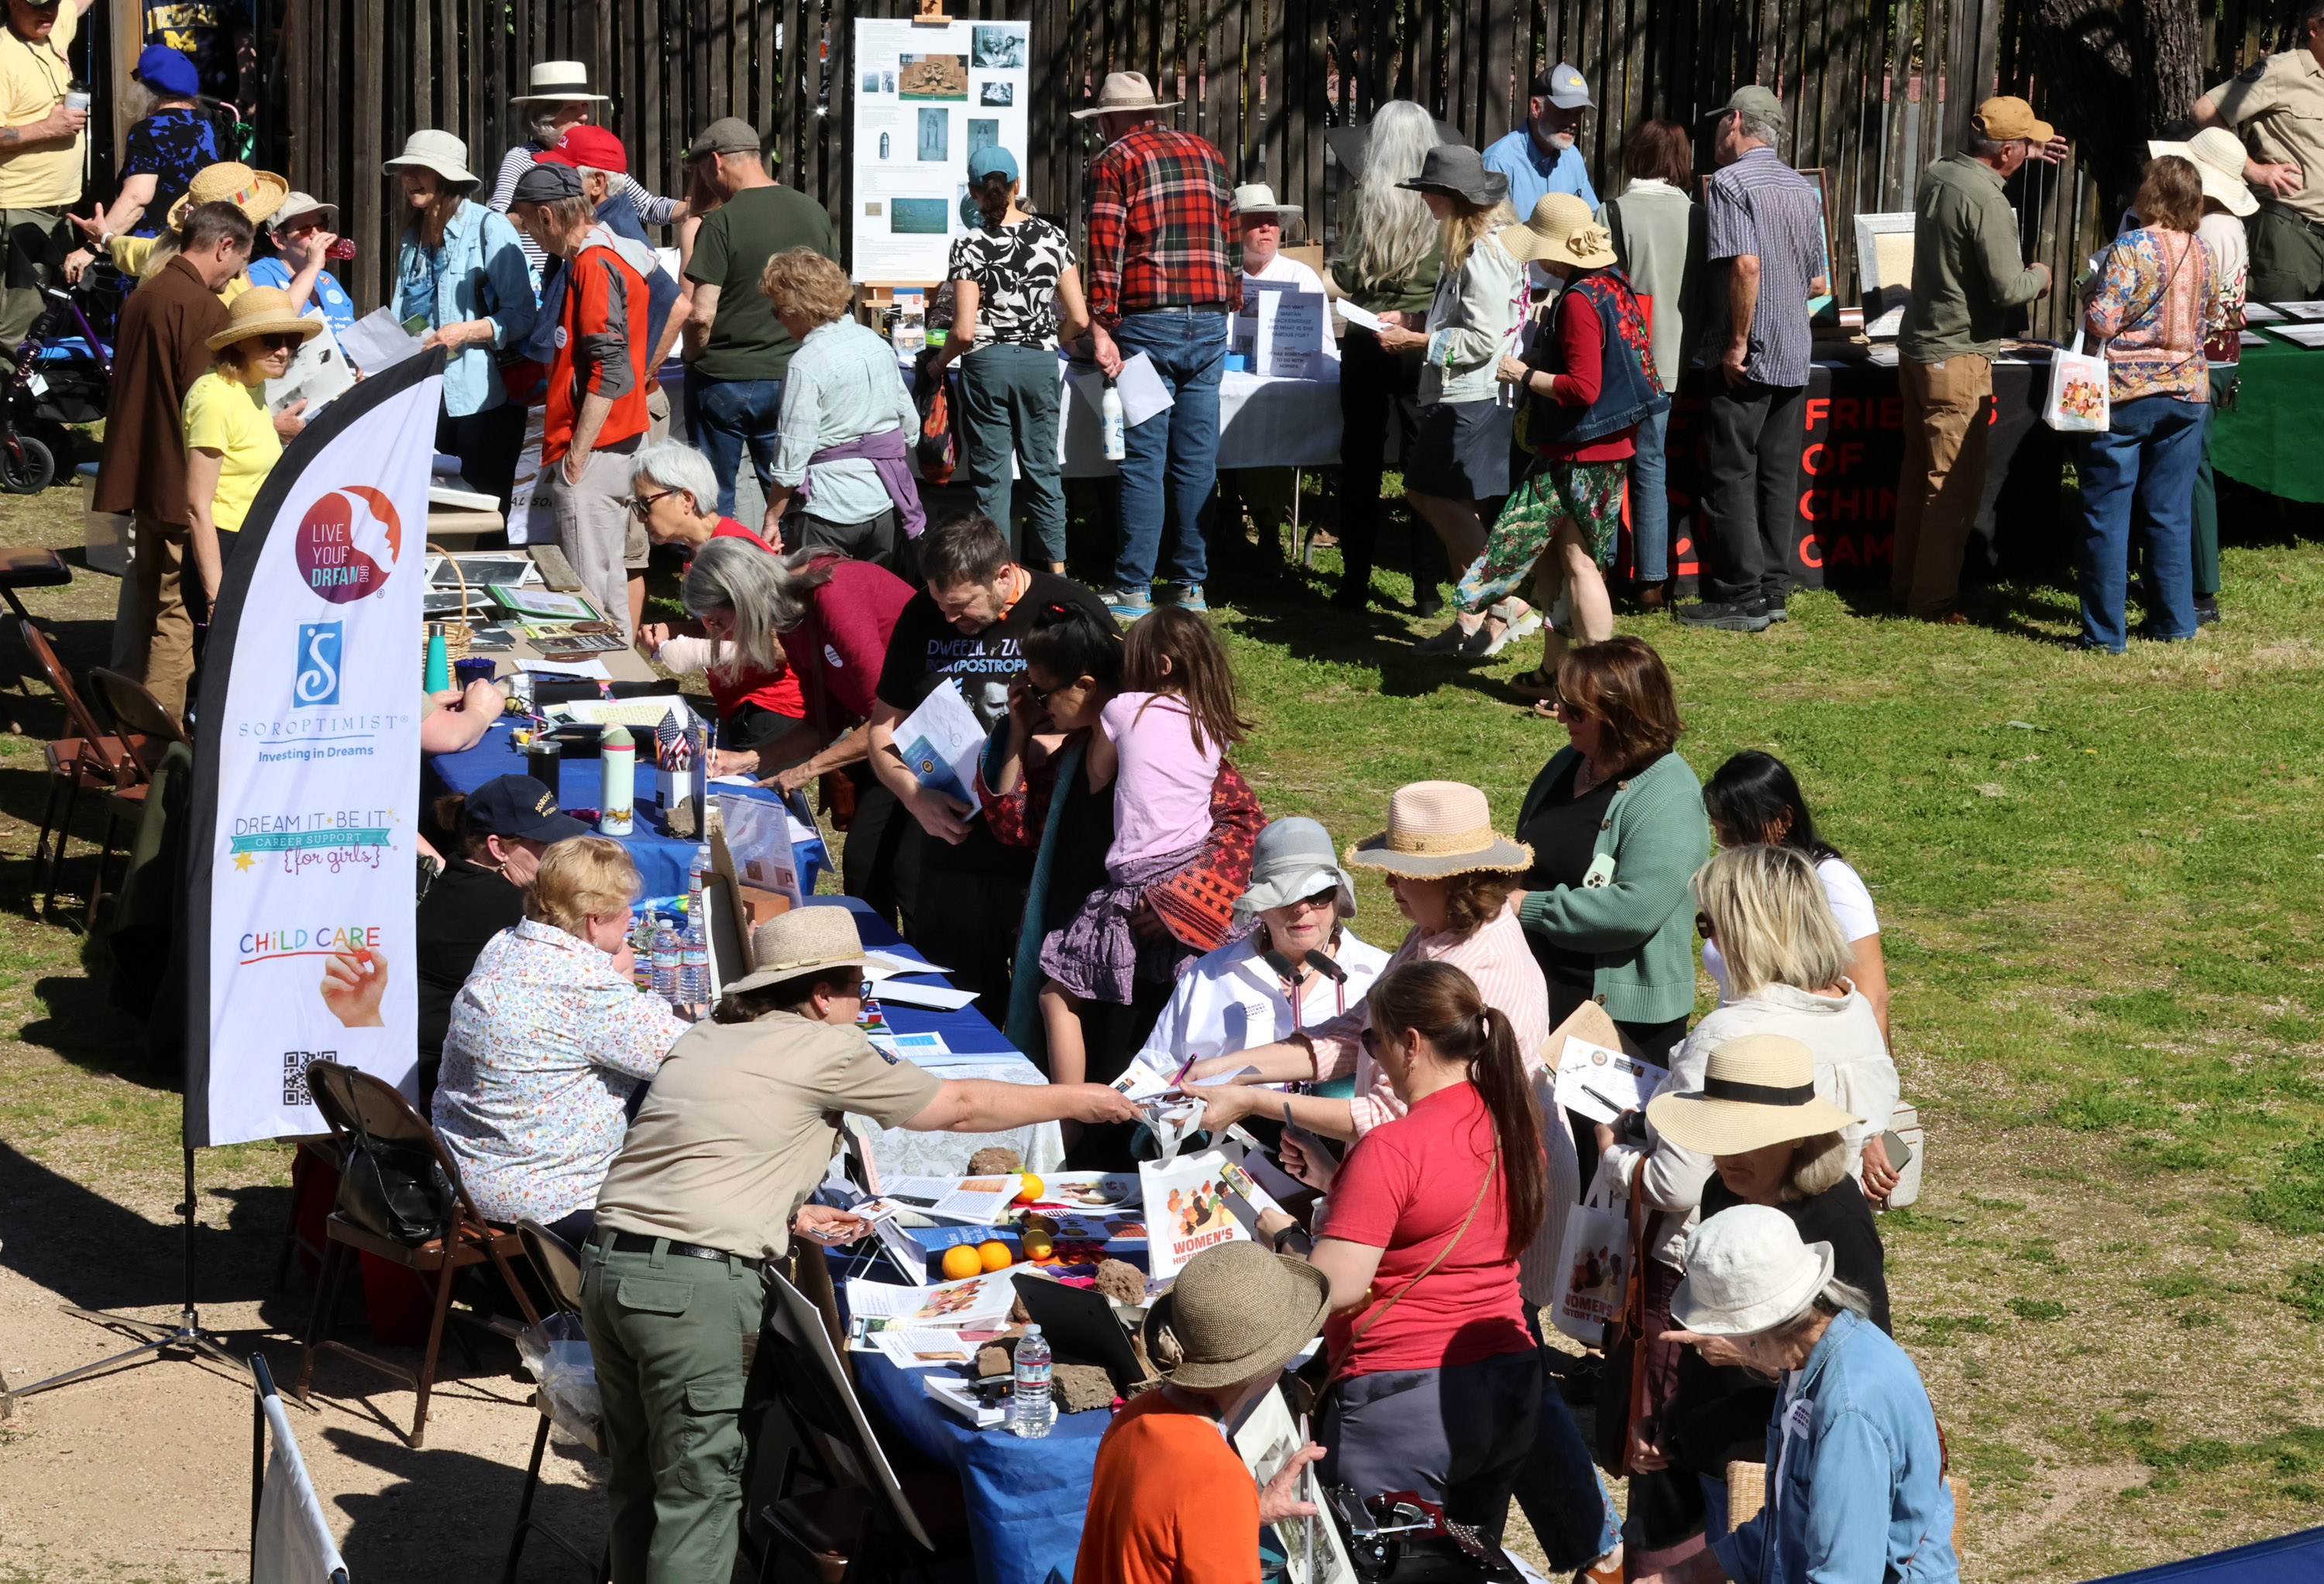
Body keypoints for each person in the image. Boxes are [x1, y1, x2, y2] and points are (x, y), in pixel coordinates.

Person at [583, 905, 1139, 1583]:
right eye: (859, 992)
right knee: (696, 1499)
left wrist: (784, 1208)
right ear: (822, 995)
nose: (861, 1005)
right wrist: (1073, 1099)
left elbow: (705, 1146)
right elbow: (957, 1107)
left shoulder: (706, 1037)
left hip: (610, 1266)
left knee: (641, 1478)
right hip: (693, 1291)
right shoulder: (827, 1047)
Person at [1247, 960, 1548, 1543]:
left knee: (1378, 1566)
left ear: (1411, 1043)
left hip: (1406, 1401)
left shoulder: (1391, 1147)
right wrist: (1341, 1181)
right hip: (1508, 1382)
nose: (1373, 1056)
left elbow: (1338, 1286)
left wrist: (1282, 1235)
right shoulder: (1513, 1127)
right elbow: (1443, 1224)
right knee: (1464, 1567)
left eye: (1373, 1038)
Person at [1602, 844, 1900, 1313]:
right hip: (1815, 1259)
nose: (1708, 942)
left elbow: (1676, 1184)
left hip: (1715, 1269)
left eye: (1708, 924)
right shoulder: (1855, 1008)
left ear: (1747, 931)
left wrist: (1613, 1151)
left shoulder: (1729, 1032)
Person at [1632, 1035, 1890, 1538]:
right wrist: (1667, 1418)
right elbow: (1707, 1323)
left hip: (1772, 1473)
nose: (1728, 1153)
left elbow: (1866, 1364)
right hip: (1699, 1455)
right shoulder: (1721, 1191)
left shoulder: (1837, 1218)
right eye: (1719, 1133)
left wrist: (1750, 1355)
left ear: (1796, 1136)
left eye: (1748, 1135)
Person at [868, 513, 1115, 1020]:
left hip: (1042, 859)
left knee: (1044, 1019)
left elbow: (1116, 721)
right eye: (940, 605)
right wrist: (914, 796)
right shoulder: (923, 615)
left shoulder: (1068, 610)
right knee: (954, 1017)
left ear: (1003, 575)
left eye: (960, 607)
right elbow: (879, 733)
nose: (949, 619)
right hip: (950, 857)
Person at [1633, 1208, 1956, 1584]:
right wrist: (1675, 1578)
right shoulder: (1810, 1361)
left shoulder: (1847, 1411)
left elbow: (1845, 1577)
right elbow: (1785, 1526)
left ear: (1754, 1330)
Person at [1024, 607, 1249, 1087]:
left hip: (1136, 879)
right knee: (1177, 1004)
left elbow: (1098, 774)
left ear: (1161, 666)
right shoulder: (1212, 724)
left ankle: (1069, 1116)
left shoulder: (1124, 709)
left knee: (1056, 997)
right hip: (1190, 879)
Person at [435, 836, 686, 1243]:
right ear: (593, 920)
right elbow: (695, 1058)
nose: (631, 920)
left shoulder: (503, 945)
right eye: (624, 911)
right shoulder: (586, 991)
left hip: (464, 1176)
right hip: (550, 1200)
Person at [1454, 193, 1666, 674]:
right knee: (1554, 561)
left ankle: (1597, 683)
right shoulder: (1611, 284)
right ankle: (1554, 673)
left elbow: (1582, 388)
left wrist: (1521, 374)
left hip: (1581, 452)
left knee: (1579, 563)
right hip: (1600, 448)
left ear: (1555, 250)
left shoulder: (1576, 301)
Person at [1074, 70, 1241, 620]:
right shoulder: (1207, 153)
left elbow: (1104, 247)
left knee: (1145, 460)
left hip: (1149, 323)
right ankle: (1191, 586)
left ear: (1111, 119)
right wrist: (1229, 299)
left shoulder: (1115, 161)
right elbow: (1231, 234)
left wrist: (1100, 322)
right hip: (1210, 320)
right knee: (1197, 458)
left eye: (1101, 121)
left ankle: (1133, 589)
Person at [1892, 98, 2059, 625]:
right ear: (2006, 151)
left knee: (1918, 476)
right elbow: (2009, 287)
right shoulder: (1987, 199)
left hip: (1919, 347)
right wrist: (2041, 275)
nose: (2031, 153)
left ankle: (1906, 585)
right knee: (1951, 486)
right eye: (2028, 146)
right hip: (1958, 355)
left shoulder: (1939, 173)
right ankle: (1932, 601)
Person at [1078, 1239, 1329, 1584]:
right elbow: (1195, 1502)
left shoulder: (1134, 1416)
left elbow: (1162, 1533)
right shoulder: (1216, 1479)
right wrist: (1232, 1508)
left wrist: (1246, 1513)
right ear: (1268, 1366)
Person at [1674, 87, 1827, 634]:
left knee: (1731, 471)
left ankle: (1739, 595)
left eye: (1722, 123)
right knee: (1779, 476)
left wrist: (1737, 342)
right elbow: (1816, 280)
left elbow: (1745, 266)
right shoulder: (1800, 187)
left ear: (1736, 122)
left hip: (1751, 351)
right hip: (1794, 350)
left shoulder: (1732, 183)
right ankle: (1772, 589)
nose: (1718, 132)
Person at [1513, 636, 1707, 1067]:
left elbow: (1633, 912)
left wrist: (1523, 906)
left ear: (1622, 715)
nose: (1560, 714)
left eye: (1577, 710)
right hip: (1536, 993)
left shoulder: (1669, 796)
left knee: (1593, 1137)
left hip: (1613, 1021)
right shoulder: (1568, 762)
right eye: (1561, 700)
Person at [93, 201, 250, 717]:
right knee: (175, 620)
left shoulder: (145, 294)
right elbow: (206, 405)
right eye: (239, 263)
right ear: (223, 245)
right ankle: (157, 749)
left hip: (140, 478)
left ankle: (124, 721)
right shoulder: (205, 309)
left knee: (146, 611)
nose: (235, 277)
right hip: (182, 486)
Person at [2076, 155, 2226, 653]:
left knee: (2107, 514)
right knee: (2169, 513)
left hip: (2127, 392)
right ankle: (2174, 621)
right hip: (2188, 392)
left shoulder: (2131, 246)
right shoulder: (2204, 250)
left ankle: (2103, 634)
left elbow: (2102, 319)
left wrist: (2088, 294)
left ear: (2153, 192)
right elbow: (2211, 315)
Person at [509, 159, 655, 640]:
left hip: (594, 447)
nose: (530, 235)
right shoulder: (616, 250)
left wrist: (578, 451)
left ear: (548, 217)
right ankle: (622, 683)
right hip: (620, 440)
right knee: (608, 578)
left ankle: (601, 690)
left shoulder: (592, 263)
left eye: (528, 223)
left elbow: (608, 368)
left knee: (587, 590)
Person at [927, 145, 1086, 572]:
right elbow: (1080, 316)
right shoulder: (1053, 237)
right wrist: (1055, 338)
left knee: (992, 477)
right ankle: (1058, 572)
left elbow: (961, 331)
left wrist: (939, 364)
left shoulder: (969, 244)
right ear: (1017, 186)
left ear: (975, 193)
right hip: (1038, 362)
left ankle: (997, 573)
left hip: (987, 366)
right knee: (1043, 470)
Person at [1399, 146, 1529, 659]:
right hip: (1468, 391)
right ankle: (1472, 622)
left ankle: (1505, 601)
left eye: (1431, 190)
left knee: (1425, 493)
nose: (1425, 198)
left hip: (1475, 394)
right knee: (1459, 505)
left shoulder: (1486, 250)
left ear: (1451, 197)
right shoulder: (1473, 246)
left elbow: (1482, 340)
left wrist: (1417, 343)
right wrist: (1412, 325)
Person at [1137, 816, 1394, 1070]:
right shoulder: (1208, 976)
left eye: (1318, 895)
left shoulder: (1384, 975)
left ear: (1338, 896)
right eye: (1284, 897)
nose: (1302, 908)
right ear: (1259, 904)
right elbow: (1155, 1072)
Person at [682, 116, 841, 516]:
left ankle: (720, 574)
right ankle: (789, 573)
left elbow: (701, 313)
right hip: (795, 375)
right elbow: (833, 299)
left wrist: (691, 356)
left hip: (722, 378)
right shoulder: (813, 212)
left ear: (715, 162)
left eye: (703, 169)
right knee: (787, 492)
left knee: (712, 500)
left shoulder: (720, 222)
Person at [1329, 101, 1453, 614]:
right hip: (1424, 336)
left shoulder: (1362, 199)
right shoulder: (1443, 200)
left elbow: (1351, 276)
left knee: (1360, 461)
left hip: (1368, 334)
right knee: (1422, 462)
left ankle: (1354, 583)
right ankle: (1426, 589)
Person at [387, 129, 538, 517]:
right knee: (430, 514)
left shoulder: (490, 228)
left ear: (447, 177)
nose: (409, 178)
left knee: (482, 516)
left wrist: (465, 331)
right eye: (406, 170)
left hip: (483, 402)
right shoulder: (411, 236)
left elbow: (522, 315)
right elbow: (408, 315)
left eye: (420, 169)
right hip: (424, 399)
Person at [415, 774, 586, 1101]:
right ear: (498, 848)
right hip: (449, 1081)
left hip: (435, 1059)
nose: (555, 855)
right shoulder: (508, 909)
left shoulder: (461, 876)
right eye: (544, 844)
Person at [1702, 750, 1889, 1040]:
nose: (1725, 843)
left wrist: (1867, 1073)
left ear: (1783, 819)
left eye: (1737, 829)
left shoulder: (1830, 881)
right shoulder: (1743, 882)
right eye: (1719, 829)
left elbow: (1873, 999)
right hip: (1743, 1049)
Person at [1599, 119, 1707, 607]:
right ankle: (1652, 582)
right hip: (1675, 363)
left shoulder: (1612, 212)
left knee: (1604, 467)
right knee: (1652, 466)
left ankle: (1600, 572)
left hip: (1619, 360)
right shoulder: (1700, 217)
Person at [759, 246, 923, 569]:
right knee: (877, 603)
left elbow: (791, 458)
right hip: (883, 503)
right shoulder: (875, 343)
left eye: (778, 309)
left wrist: (771, 518)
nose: (776, 318)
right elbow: (911, 427)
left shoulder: (805, 365)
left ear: (800, 308)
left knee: (815, 607)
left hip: (828, 512)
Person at [2161, 128, 2255, 629]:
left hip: (2207, 358)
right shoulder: (2222, 223)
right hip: (2215, 356)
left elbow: (2205, 301)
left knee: (2194, 468)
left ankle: (2202, 589)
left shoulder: (2214, 227)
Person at [183, 286, 315, 621]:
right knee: (220, 672)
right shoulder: (214, 398)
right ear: (239, 341)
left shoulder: (252, 388)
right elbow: (198, 507)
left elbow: (240, 448)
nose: (283, 351)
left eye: (292, 341)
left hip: (254, 544)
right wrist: (216, 597)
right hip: (224, 551)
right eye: (271, 340)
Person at [1217, 182, 1330, 569]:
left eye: (1272, 222)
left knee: (1273, 433)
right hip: (1225, 385)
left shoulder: (1301, 276)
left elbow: (1325, 346)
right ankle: (1222, 520)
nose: (1266, 230)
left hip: (1281, 388)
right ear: (1236, 230)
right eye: (1256, 223)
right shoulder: (1219, 274)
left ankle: (1268, 531)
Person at [490, 60, 684, 279]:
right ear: (544, 115)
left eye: (584, 106)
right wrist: (537, 221)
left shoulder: (593, 156)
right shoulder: (521, 158)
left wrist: (693, 210)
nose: (583, 115)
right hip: (533, 284)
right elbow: (495, 221)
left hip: (590, 273)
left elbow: (647, 206)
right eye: (571, 108)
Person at [2194, 0, 2324, 304]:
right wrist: (2252, 169)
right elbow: (2205, 111)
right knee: (2280, 339)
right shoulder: (2283, 70)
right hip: (2292, 233)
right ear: (2314, 29)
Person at [0, 0, 92, 378]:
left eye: (53, 3)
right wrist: (46, 128)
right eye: (37, 5)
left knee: (36, 322)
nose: (49, 13)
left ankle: (17, 419)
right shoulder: (4, 54)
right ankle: (9, 427)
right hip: (17, 210)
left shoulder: (52, 27)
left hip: (52, 211)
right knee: (13, 332)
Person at [70, 45, 223, 244]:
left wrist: (95, 245)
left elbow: (136, 199)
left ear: (146, 88)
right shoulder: (206, 125)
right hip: (197, 242)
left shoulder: (147, 130)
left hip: (155, 250)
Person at [1482, 63, 1600, 220]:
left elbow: (1592, 218)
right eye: (1564, 112)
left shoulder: (1573, 157)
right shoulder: (1499, 162)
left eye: (1578, 113)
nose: (1572, 122)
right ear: (1536, 108)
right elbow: (1491, 235)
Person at [245, 192, 356, 340]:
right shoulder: (260, 274)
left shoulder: (327, 281)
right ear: (280, 240)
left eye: (321, 226)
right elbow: (277, 324)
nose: (316, 235)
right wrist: (313, 266)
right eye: (305, 230)